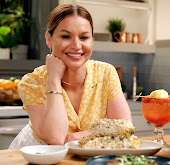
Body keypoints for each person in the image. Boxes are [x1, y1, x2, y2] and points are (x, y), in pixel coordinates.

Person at [9, 4, 131, 149]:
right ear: (49, 39)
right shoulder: (32, 83)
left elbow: (125, 128)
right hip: (37, 156)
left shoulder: (106, 73)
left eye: (84, 37)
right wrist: (53, 79)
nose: (76, 45)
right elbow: (55, 139)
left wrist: (77, 137)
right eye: (66, 36)